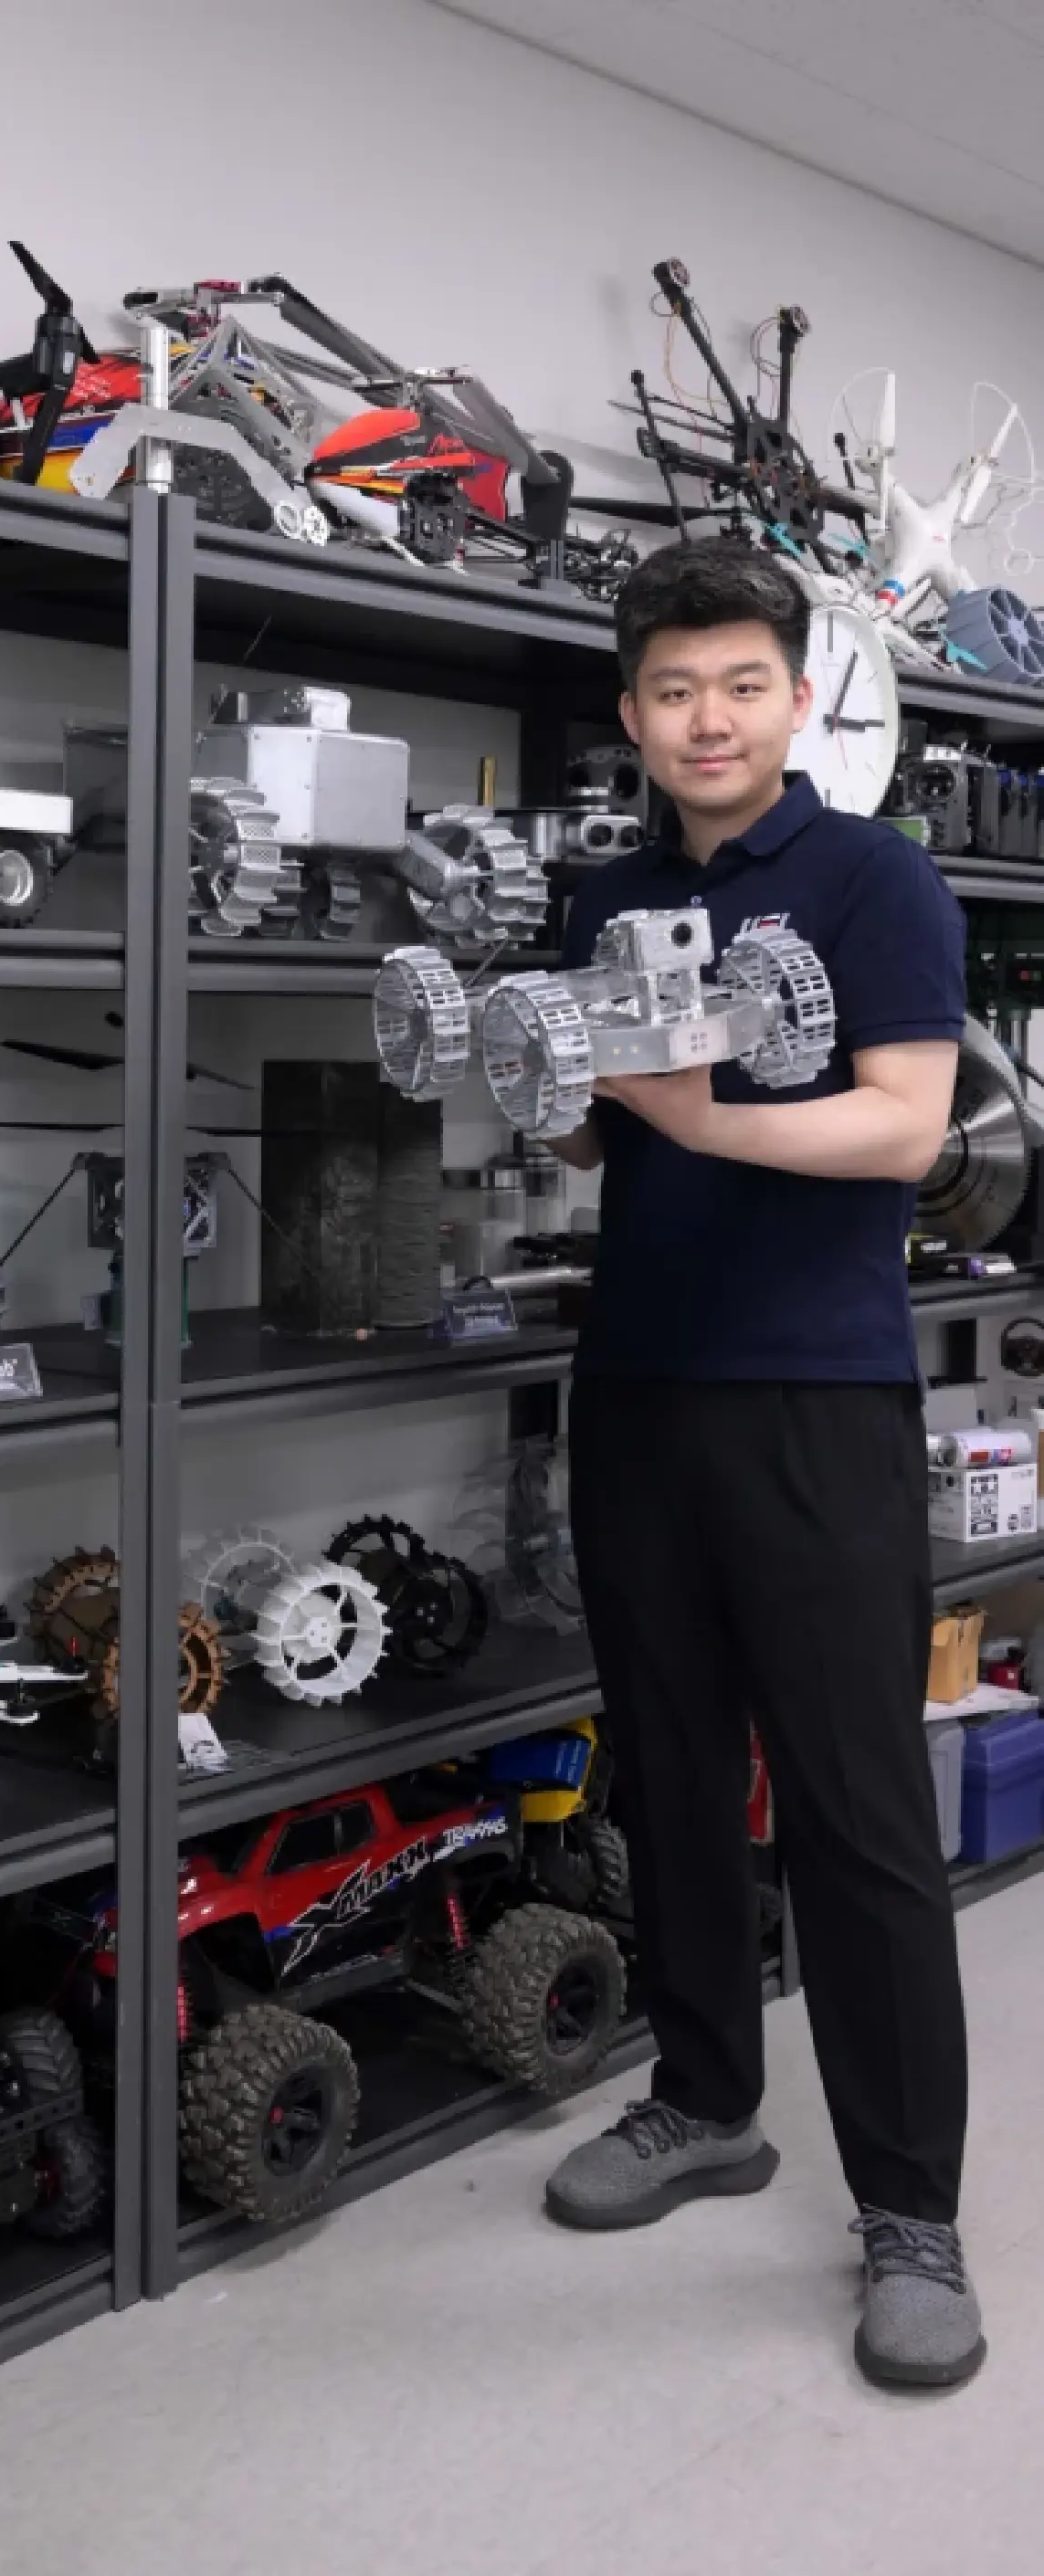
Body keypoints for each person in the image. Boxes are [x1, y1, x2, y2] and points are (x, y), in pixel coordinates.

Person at [540, 541, 981, 2391]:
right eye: (667, 691)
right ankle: (706, 2094)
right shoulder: (601, 888)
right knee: (667, 1770)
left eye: (736, 684)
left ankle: (911, 2214)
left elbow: (901, 1127)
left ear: (797, 699)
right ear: (630, 714)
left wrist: (685, 1107)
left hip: (813, 1400)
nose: (702, 720)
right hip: (633, 1389)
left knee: (857, 1811)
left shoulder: (875, 876)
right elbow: (586, 1128)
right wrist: (542, 1083)